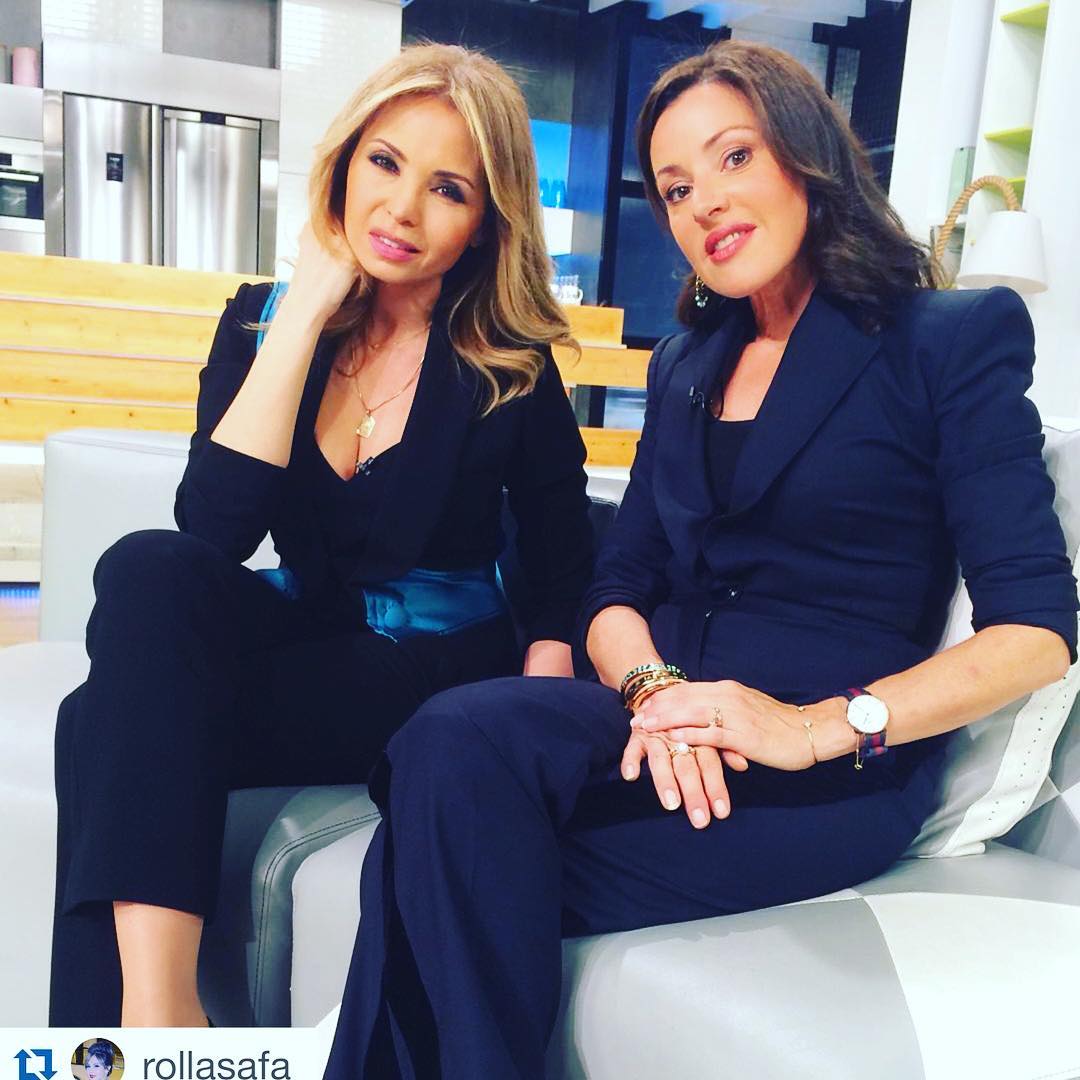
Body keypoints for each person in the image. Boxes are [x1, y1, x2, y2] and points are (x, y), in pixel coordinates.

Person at [321, 40, 1079, 1079]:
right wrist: (653, 692)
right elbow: (614, 585)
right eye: (676, 187)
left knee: (428, 845)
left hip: (821, 773)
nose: (704, 202)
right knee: (448, 746)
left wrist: (811, 728)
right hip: (659, 724)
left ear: (807, 157)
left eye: (734, 157)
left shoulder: (947, 339)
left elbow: (1036, 632)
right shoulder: (684, 362)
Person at [49, 43, 594, 1029]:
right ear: (344, 163)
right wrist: (300, 316)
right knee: (147, 568)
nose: (403, 209)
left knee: (95, 723)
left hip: (428, 661)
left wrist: (543, 687)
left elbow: (562, 555)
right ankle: (162, 1017)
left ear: (484, 221)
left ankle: (123, 1040)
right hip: (308, 626)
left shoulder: (506, 361)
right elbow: (214, 530)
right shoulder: (259, 323)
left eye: (448, 189)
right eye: (385, 163)